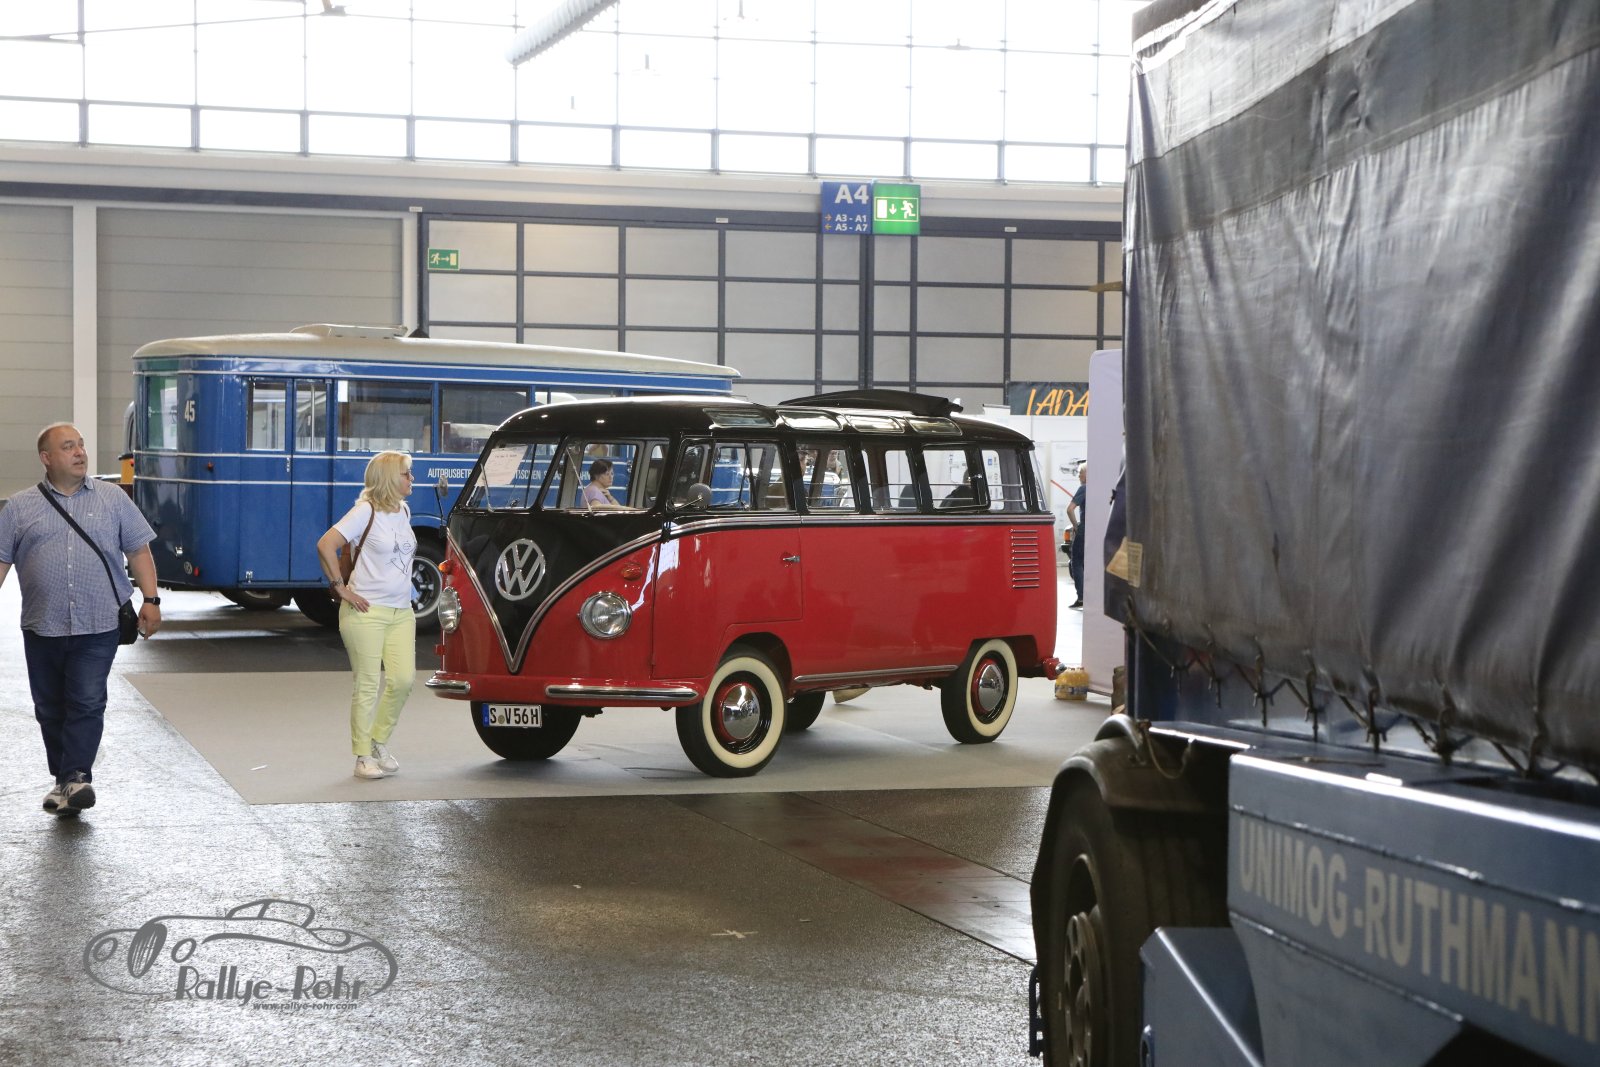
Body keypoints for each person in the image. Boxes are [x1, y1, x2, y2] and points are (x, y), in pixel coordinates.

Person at [0, 423, 162, 816]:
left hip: (99, 624)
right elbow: (2, 561)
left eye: (81, 445)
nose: (79, 452)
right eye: (68, 447)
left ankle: (76, 776)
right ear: (46, 458)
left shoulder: (112, 498)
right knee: (49, 707)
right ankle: (64, 781)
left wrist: (151, 599)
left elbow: (138, 551)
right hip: (42, 626)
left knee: (87, 701)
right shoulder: (18, 508)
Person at [317, 451, 416, 780]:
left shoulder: (404, 510)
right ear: (388, 478)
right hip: (365, 612)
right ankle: (362, 756)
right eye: (406, 473)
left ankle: (378, 741)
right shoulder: (365, 511)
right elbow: (326, 544)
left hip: (402, 611)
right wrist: (341, 588)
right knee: (368, 684)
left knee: (403, 681)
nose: (411, 479)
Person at [1067, 463, 1087, 608]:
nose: (1079, 476)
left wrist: (1075, 525)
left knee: (1076, 562)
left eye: (1080, 473)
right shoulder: (1099, 488)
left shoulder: (1084, 488)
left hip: (1084, 530)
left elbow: (1070, 509)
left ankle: (1081, 597)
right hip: (1096, 530)